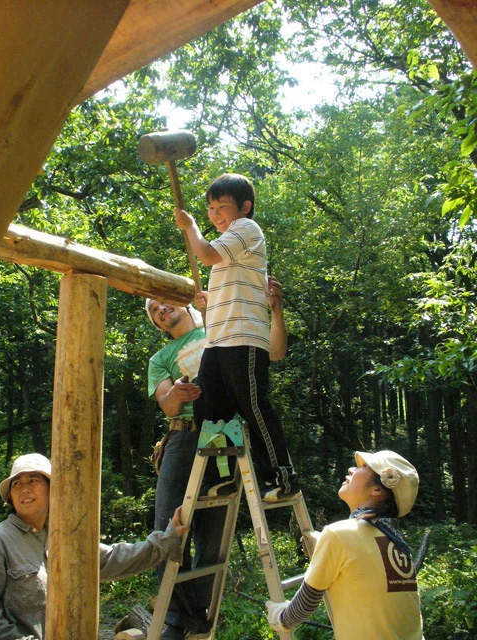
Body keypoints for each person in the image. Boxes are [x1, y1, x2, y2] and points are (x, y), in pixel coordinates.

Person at [146, 276, 288, 640]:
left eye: (164, 301)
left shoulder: (220, 328)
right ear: (157, 323)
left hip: (225, 437)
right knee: (166, 527)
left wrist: (275, 310)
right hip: (184, 437)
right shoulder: (160, 359)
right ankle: (179, 619)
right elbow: (167, 405)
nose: (160, 309)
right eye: (154, 310)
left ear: (186, 301)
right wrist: (177, 393)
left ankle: (196, 616)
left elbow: (274, 352)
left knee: (212, 539)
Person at [173, 172, 298, 502]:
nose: (215, 214)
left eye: (222, 207)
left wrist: (190, 227)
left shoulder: (246, 228)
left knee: (253, 406)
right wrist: (211, 300)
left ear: (244, 207)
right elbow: (235, 287)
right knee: (210, 412)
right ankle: (223, 475)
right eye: (210, 208)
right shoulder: (231, 242)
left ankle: (282, 476)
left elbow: (207, 255)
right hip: (218, 342)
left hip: (243, 339)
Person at [0, 453, 189, 640]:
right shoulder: (1, 540)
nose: (24, 489)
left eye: (33, 480)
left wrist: (167, 539)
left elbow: (114, 559)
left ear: (51, 489)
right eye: (17, 483)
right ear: (11, 497)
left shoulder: (63, 536)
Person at [265, 450, 424, 640]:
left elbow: (304, 605)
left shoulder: (339, 535)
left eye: (363, 467)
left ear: (377, 490)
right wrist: (324, 543)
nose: (351, 469)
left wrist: (279, 618)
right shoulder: (395, 540)